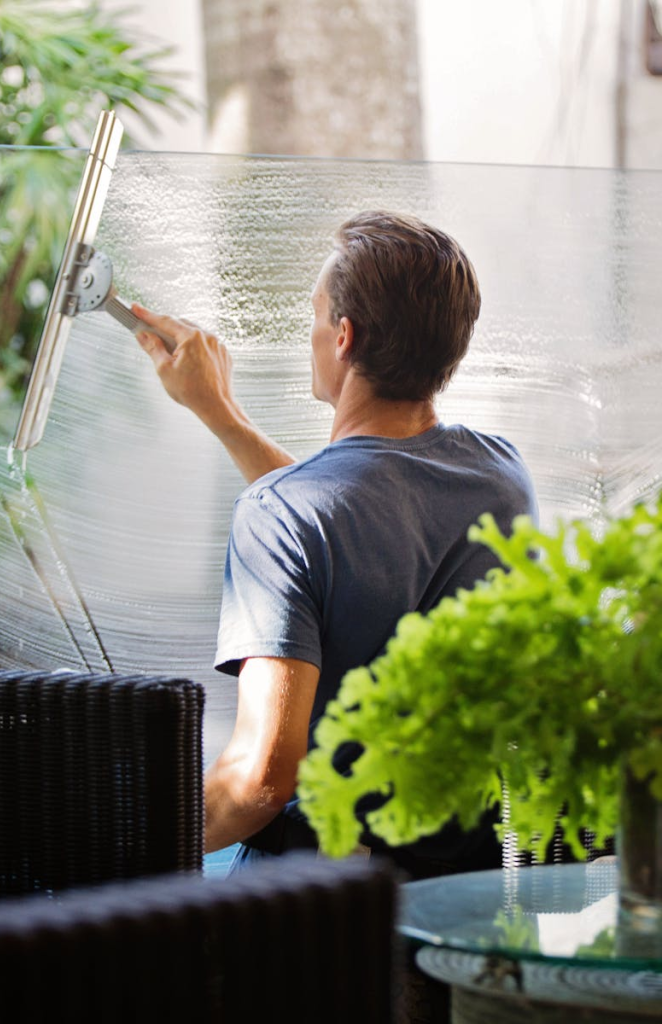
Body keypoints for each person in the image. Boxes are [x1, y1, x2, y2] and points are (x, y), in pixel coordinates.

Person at [133, 209, 538, 880]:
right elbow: (356, 514)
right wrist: (221, 415)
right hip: (459, 885)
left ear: (343, 337)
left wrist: (115, 840)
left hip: (320, 908)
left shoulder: (284, 514)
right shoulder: (501, 477)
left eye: (315, 316)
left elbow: (259, 783)